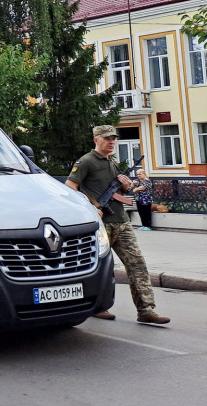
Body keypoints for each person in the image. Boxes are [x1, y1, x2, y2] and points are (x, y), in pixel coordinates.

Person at [65, 124, 170, 325]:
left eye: (113, 138)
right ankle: (98, 307)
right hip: (100, 224)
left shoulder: (112, 162)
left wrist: (124, 186)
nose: (112, 142)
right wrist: (89, 206)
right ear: (96, 140)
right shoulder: (86, 161)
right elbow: (70, 187)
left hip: (121, 221)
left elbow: (119, 194)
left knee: (137, 263)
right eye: (107, 138)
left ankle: (146, 309)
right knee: (99, 268)